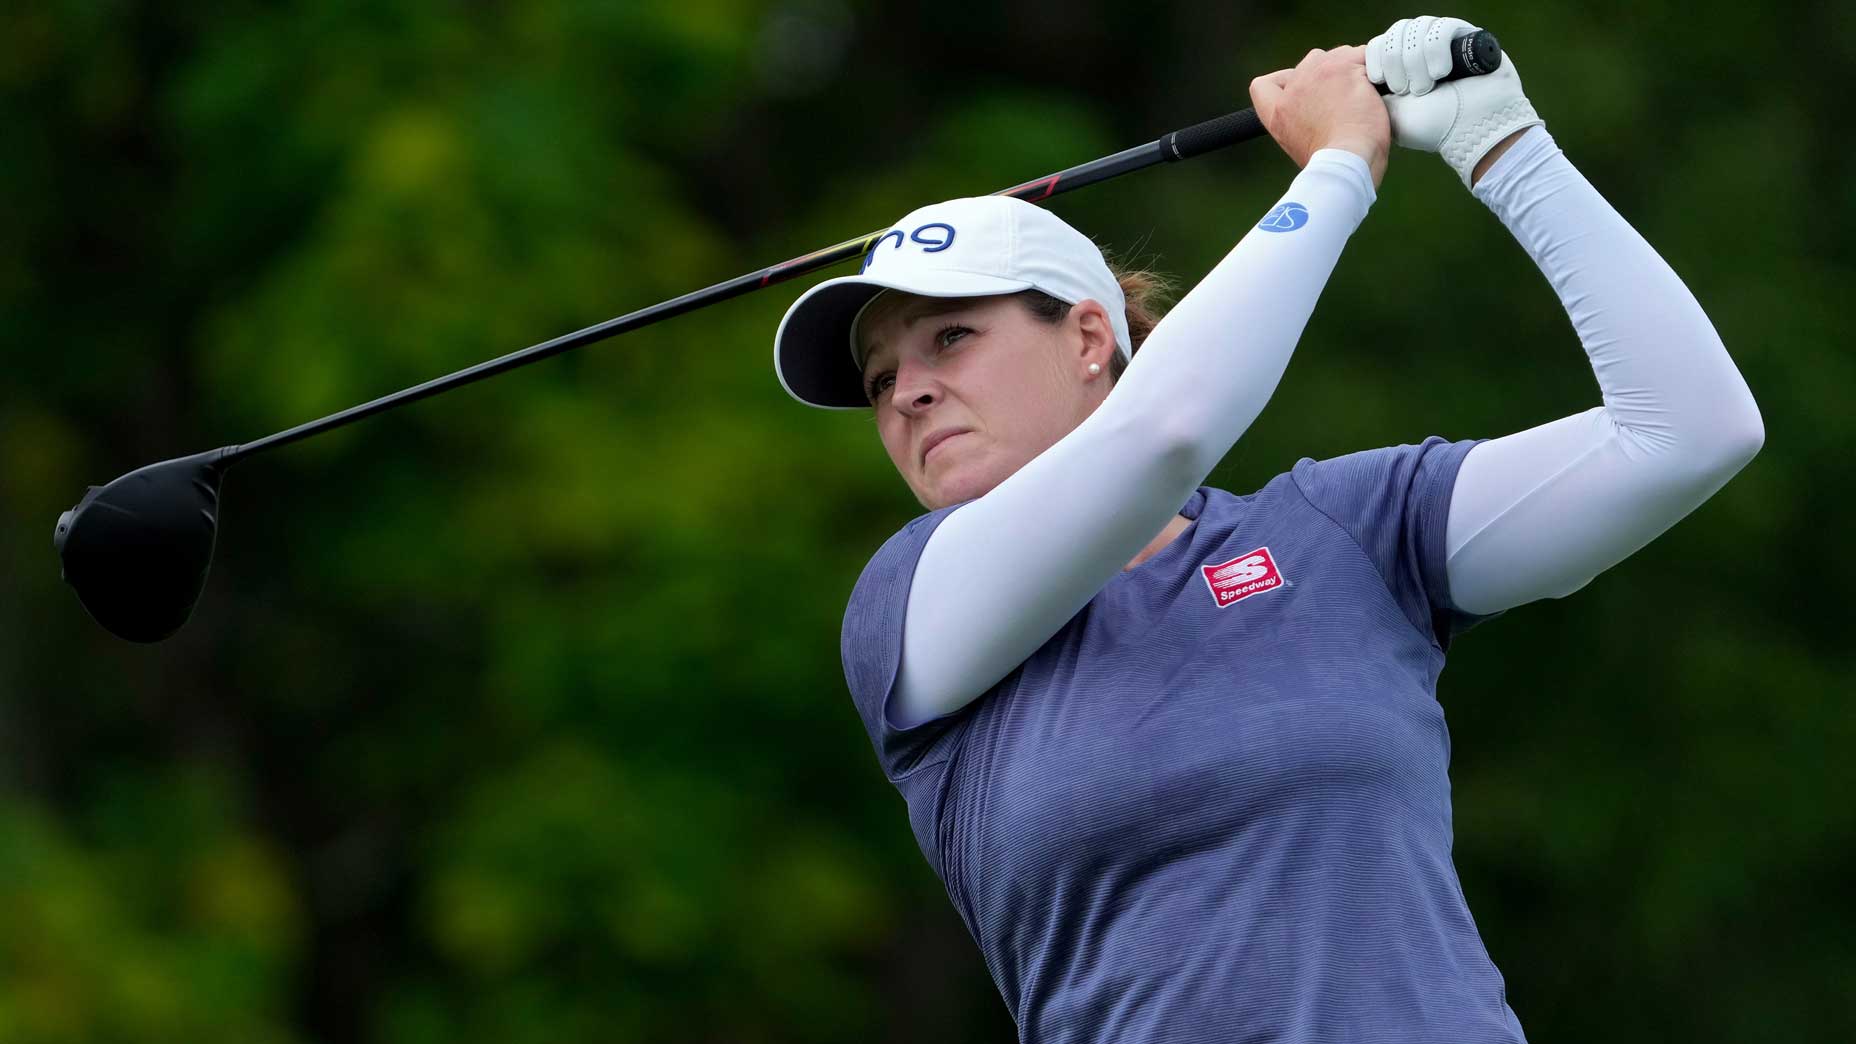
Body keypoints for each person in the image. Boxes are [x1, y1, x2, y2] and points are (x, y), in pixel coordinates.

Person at [772, 16, 1762, 1044]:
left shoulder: (1342, 531)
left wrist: (1501, 145)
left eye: (950, 338)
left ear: (1086, 335)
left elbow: (1687, 432)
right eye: (883, 378)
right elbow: (1166, 430)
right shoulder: (909, 609)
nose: (909, 394)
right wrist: (1337, 168)